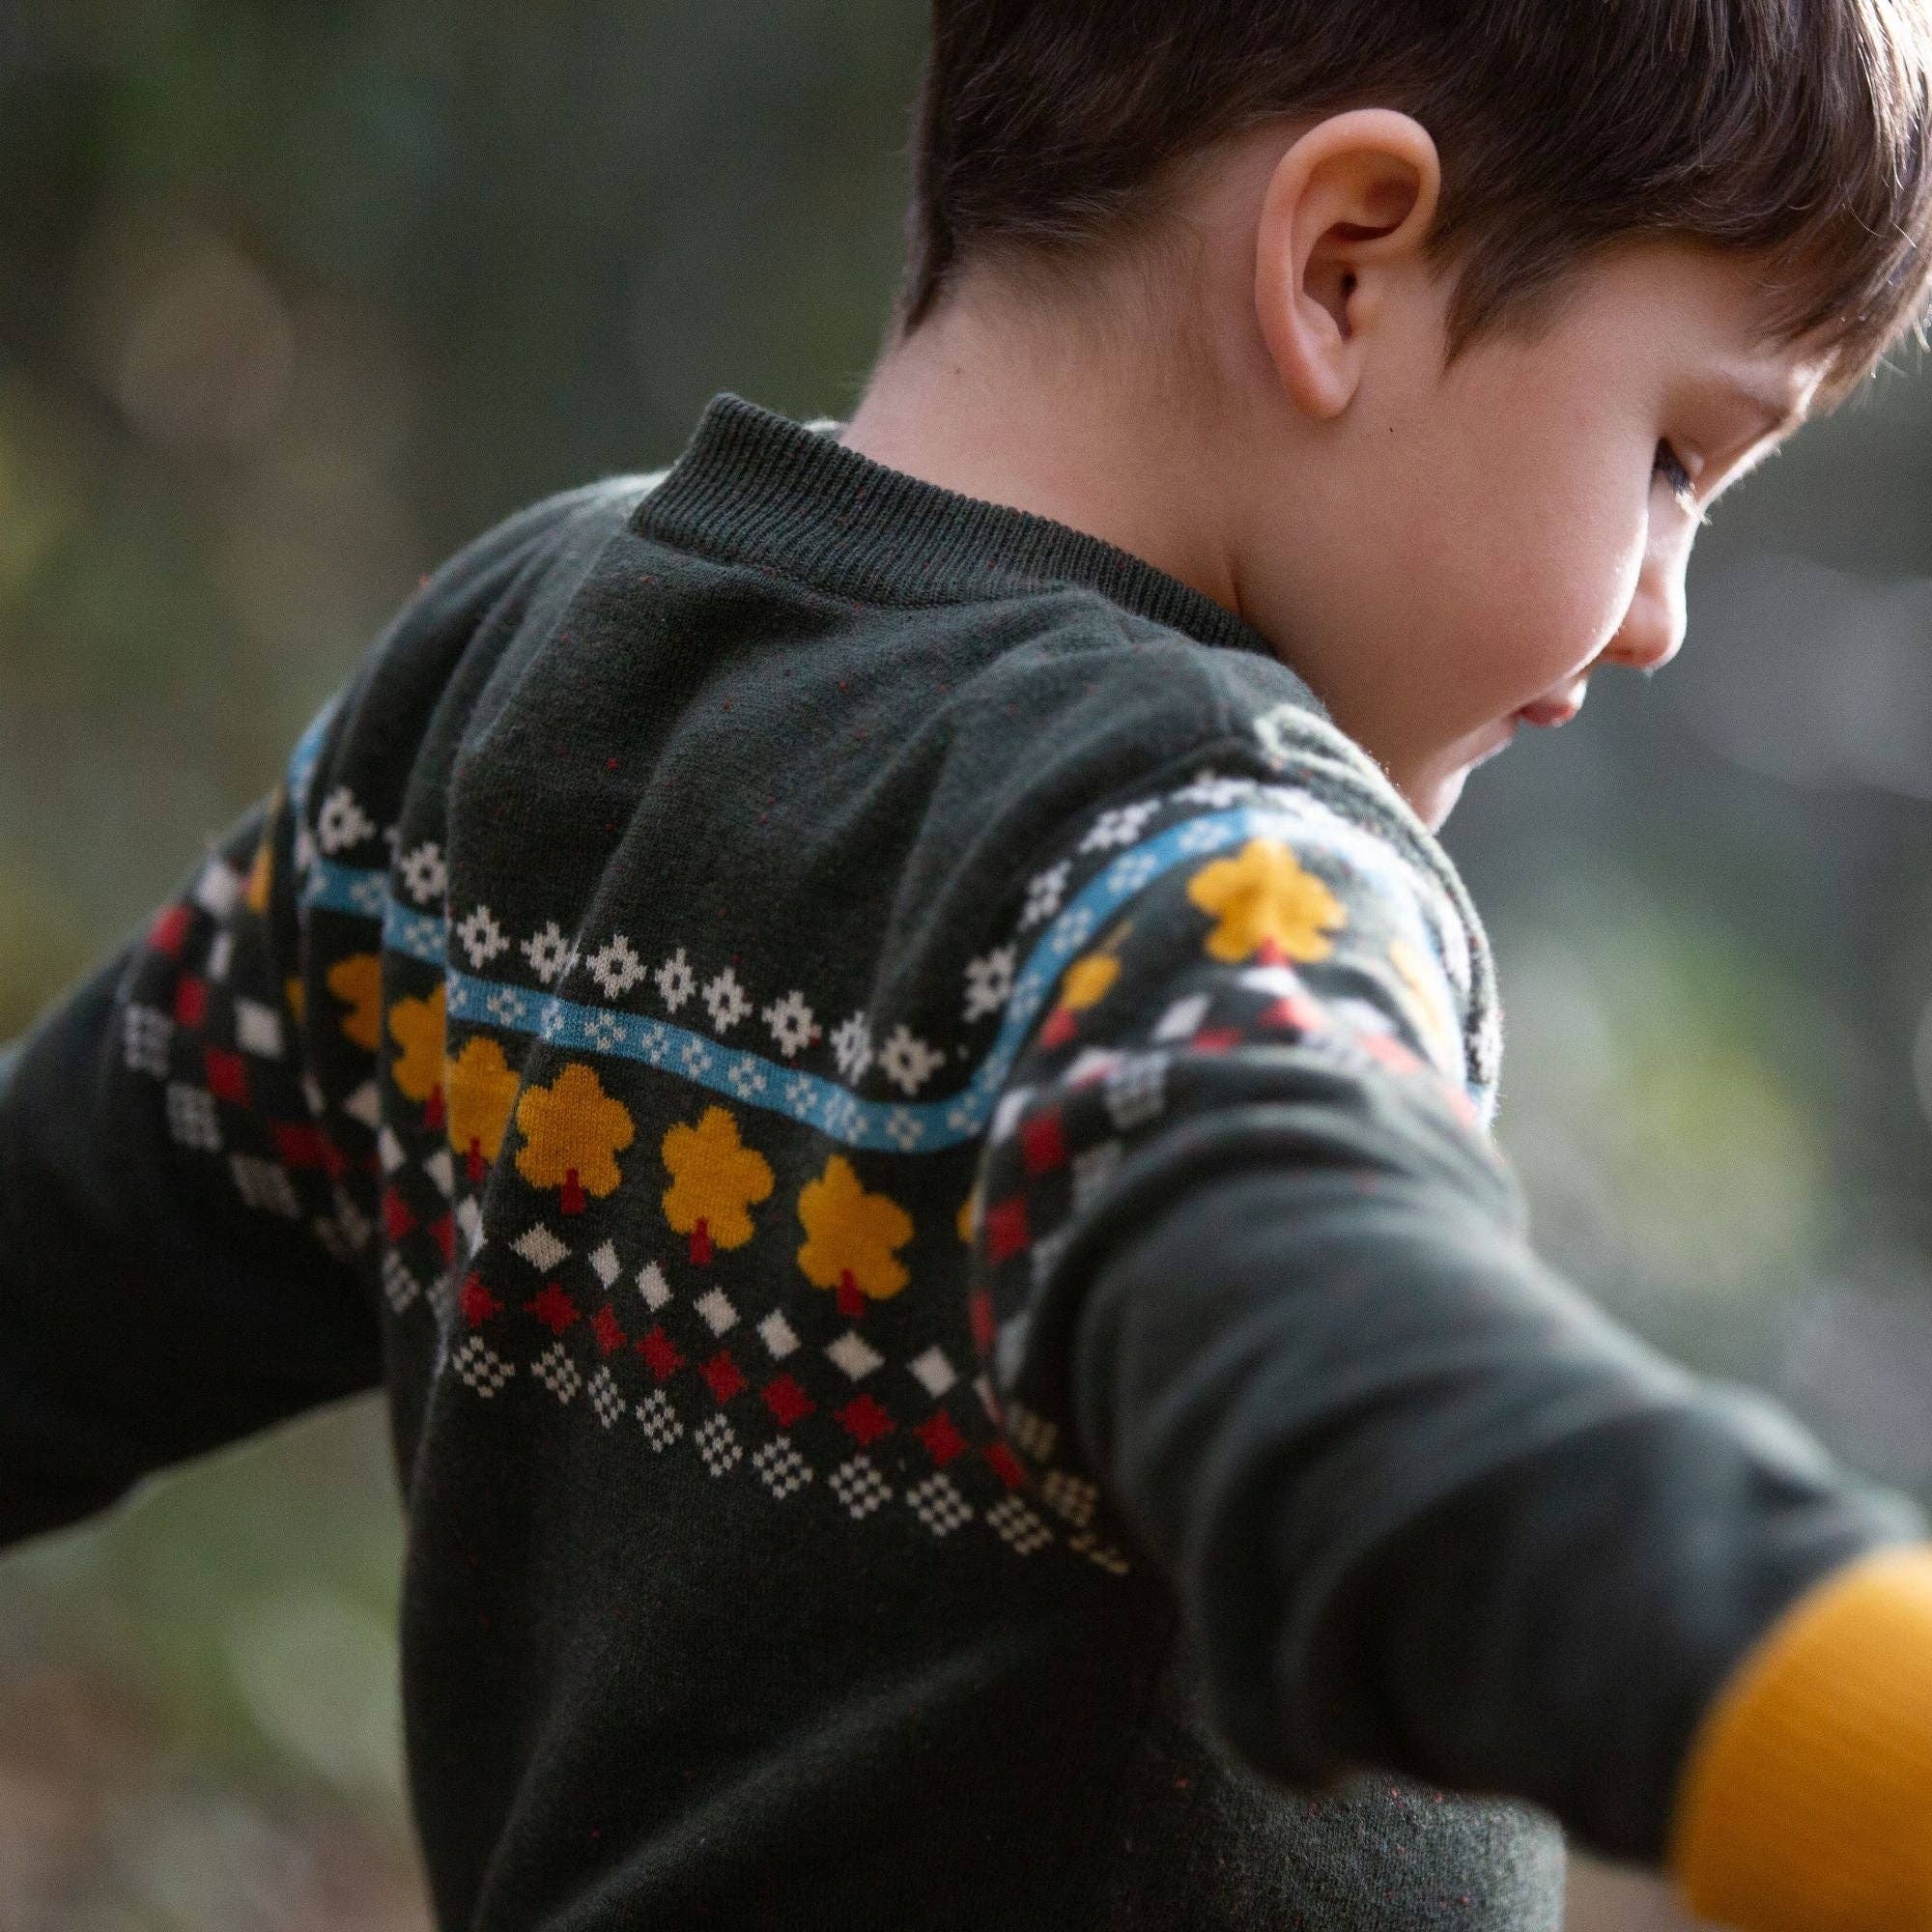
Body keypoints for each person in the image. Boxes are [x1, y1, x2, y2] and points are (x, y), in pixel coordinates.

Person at [7, 3, 1932, 1926]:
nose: (1665, 618)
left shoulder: (511, 680)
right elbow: (1350, 1374)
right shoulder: (1189, 857)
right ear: (1344, 261)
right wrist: (1822, 1695)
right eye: (1679, 452)